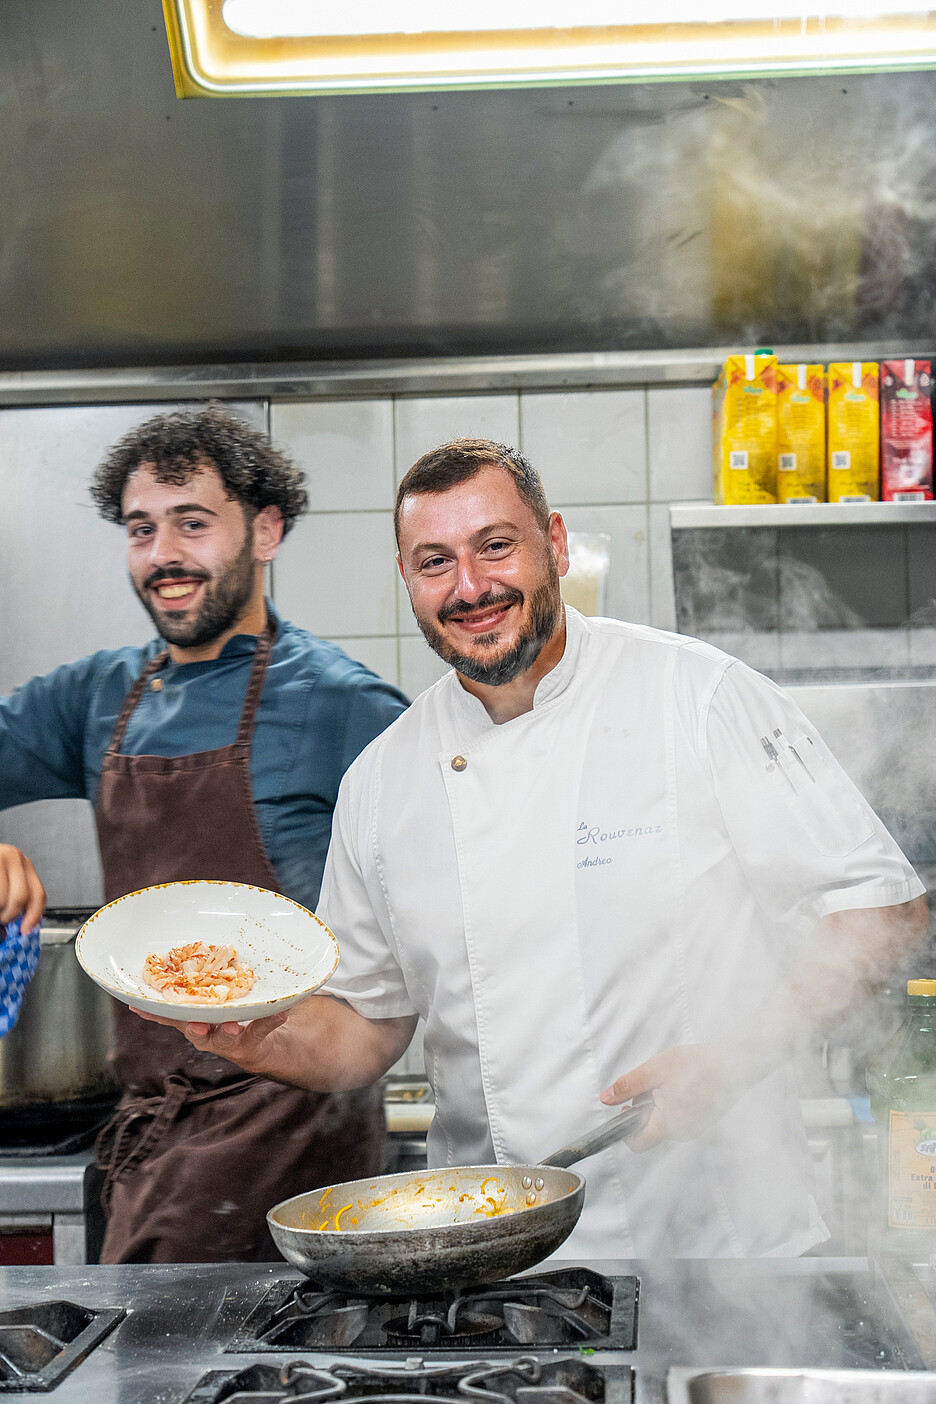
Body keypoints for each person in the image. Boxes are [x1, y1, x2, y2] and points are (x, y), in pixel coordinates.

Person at [139, 437, 929, 1258]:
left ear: (552, 543)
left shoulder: (697, 698)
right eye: (434, 561)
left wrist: (735, 1055)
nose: (470, 587)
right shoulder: (381, 782)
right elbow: (363, 1028)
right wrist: (258, 1037)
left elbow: (881, 911)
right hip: (497, 1265)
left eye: (496, 546)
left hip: (718, 1246)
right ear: (407, 579)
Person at [0, 404, 408, 1264]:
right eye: (141, 530)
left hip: (299, 1146)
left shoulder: (344, 704)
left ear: (266, 531)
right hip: (156, 1138)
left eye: (193, 524)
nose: (164, 558)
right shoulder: (96, 696)